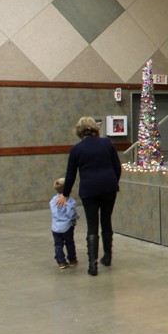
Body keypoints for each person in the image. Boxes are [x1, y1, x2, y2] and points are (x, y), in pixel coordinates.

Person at [58, 117, 122, 276]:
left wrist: (65, 194)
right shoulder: (107, 144)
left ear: (79, 132)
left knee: (92, 225)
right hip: (109, 187)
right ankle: (107, 257)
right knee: (106, 220)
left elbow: (71, 175)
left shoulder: (77, 149)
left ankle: (92, 265)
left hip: (89, 190)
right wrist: (113, 182)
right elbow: (117, 167)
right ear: (95, 129)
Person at [50, 177, 79, 269]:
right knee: (69, 243)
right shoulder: (69, 200)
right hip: (67, 227)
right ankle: (72, 259)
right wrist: (76, 216)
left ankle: (61, 262)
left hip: (55, 227)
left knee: (58, 244)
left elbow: (54, 213)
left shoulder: (53, 200)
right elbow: (71, 214)